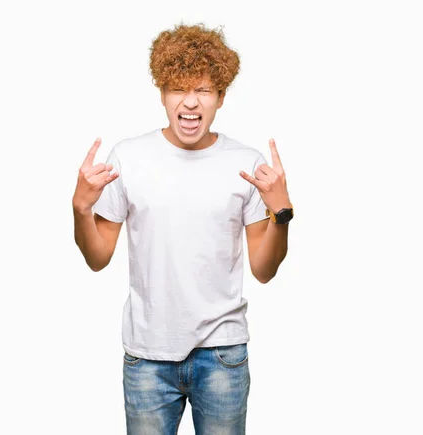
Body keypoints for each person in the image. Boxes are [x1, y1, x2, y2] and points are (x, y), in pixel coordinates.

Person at [72, 22, 293, 435]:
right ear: (162, 92)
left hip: (222, 354)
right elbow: (97, 257)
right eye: (178, 88)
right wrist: (81, 209)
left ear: (221, 96)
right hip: (148, 357)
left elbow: (264, 269)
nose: (190, 103)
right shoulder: (129, 157)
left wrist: (281, 214)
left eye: (204, 90)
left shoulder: (245, 163)